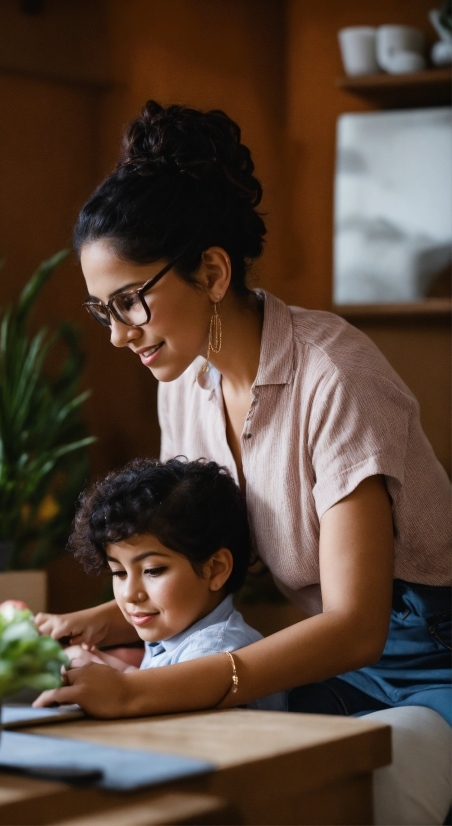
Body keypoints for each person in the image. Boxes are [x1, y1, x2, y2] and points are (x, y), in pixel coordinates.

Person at [35, 101, 451, 823]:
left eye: (131, 301)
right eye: (104, 310)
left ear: (214, 271)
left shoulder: (335, 375)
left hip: (428, 669)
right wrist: (103, 619)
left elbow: (358, 626)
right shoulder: (186, 385)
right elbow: (208, 560)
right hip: (334, 667)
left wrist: (137, 690)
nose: (117, 335)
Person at [36, 456, 286, 710]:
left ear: (215, 569)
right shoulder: (176, 636)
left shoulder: (215, 651)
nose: (130, 594)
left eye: (153, 570)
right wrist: (95, 664)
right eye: (119, 573)